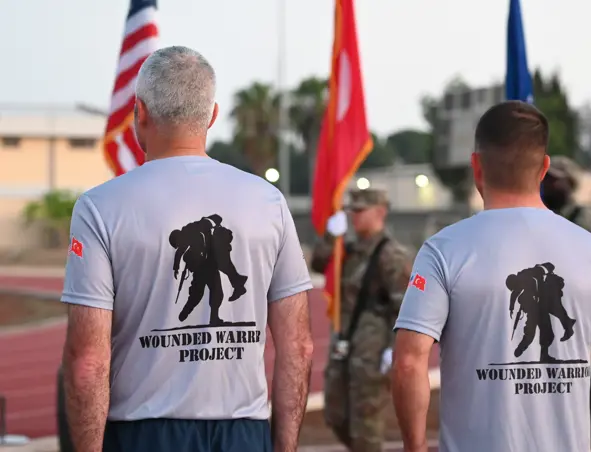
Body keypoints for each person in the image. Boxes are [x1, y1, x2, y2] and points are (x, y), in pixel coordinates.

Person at [60, 46, 314, 452]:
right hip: (244, 432)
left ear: (140, 113)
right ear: (212, 115)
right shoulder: (268, 202)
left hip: (144, 433)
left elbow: (88, 362)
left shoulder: (100, 208)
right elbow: (298, 346)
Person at [391, 100, 591, 452]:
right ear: (544, 168)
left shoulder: (443, 250)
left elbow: (408, 362)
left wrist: (415, 448)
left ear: (476, 166)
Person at [310, 188, 412, 452]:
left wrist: (394, 348)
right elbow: (320, 263)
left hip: (371, 352)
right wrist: (333, 235)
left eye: (360, 211)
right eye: (351, 211)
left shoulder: (392, 255)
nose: (354, 217)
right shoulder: (349, 250)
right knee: (335, 415)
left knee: (366, 428)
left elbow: (406, 307)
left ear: (380, 212)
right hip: (344, 346)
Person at [541, 155, 591, 241]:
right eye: (545, 177)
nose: (547, 184)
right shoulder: (542, 214)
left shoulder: (581, 216)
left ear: (570, 183)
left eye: (553, 179)